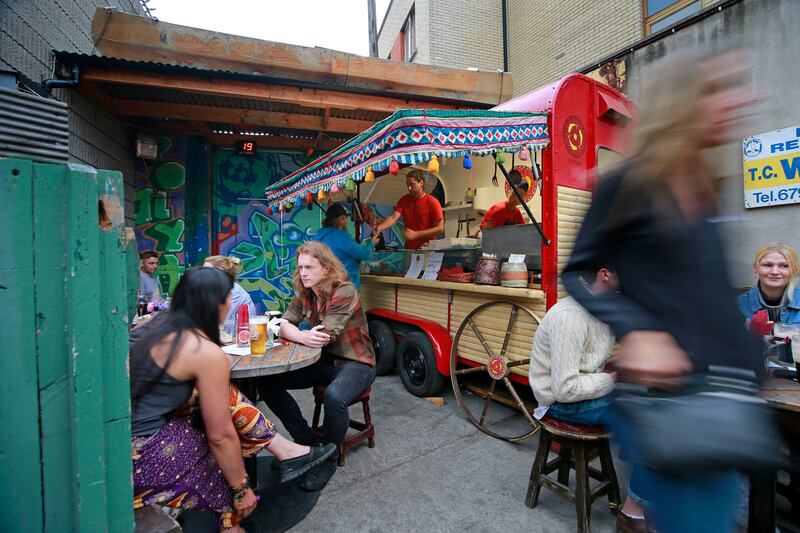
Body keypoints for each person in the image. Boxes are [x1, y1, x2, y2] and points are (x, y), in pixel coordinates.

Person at [561, 49, 764, 533]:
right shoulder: (628, 184)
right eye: (717, 90)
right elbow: (575, 272)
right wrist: (637, 330)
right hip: (670, 402)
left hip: (724, 395)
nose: (740, 100)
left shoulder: (707, 186)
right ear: (682, 101)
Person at [130, 267, 335, 532]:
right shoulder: (202, 351)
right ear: (217, 304)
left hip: (118, 436)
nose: (231, 303)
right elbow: (221, 436)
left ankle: (288, 453)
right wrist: (242, 488)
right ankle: (231, 523)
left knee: (227, 397)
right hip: (140, 456)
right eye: (229, 297)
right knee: (221, 449)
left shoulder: (153, 324)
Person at [529, 266, 645, 528]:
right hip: (559, 404)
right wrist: (613, 379)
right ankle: (634, 512)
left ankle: (643, 498)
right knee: (646, 415)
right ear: (605, 273)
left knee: (653, 400)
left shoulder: (606, 306)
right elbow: (565, 389)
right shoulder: (571, 315)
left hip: (584, 393)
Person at [257, 241, 376, 492]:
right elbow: (282, 323)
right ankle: (307, 445)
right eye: (300, 267)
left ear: (326, 269)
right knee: (266, 382)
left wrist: (298, 333)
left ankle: (328, 460)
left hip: (356, 363)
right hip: (322, 361)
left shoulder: (344, 291)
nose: (303, 273)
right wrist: (301, 335)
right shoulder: (305, 291)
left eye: (309, 267)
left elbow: (324, 335)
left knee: (334, 396)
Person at [373, 169, 444, 249]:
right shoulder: (404, 200)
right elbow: (393, 217)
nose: (409, 188)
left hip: (427, 249)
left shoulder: (433, 202)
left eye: (412, 184)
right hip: (409, 249)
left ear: (421, 183)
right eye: (407, 185)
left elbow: (440, 228)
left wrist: (416, 234)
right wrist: (378, 228)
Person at [737, 243, 800, 325]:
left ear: (796, 271)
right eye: (768, 265)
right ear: (755, 268)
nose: (775, 272)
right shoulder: (737, 306)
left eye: (784, 266)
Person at [316, 204, 374, 290]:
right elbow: (364, 254)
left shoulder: (319, 236)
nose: (347, 221)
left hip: (325, 286)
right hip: (343, 287)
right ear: (341, 219)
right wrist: (372, 243)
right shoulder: (340, 237)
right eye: (345, 218)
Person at [203, 255, 257, 324]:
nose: (202, 274)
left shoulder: (234, 293)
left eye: (207, 271)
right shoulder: (211, 289)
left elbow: (220, 324)